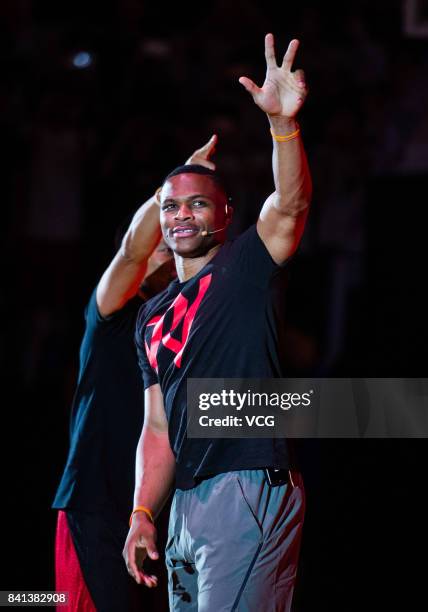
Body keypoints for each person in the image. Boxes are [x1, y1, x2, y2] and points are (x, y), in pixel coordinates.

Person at [123, 33, 312, 611]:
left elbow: (292, 204)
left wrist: (283, 126)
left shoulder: (243, 267)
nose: (182, 215)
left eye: (198, 203)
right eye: (171, 206)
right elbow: (158, 429)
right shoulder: (149, 318)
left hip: (245, 484)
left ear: (225, 214)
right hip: (185, 501)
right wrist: (141, 514)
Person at [52, 136, 218, 612]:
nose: (169, 253)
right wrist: (177, 189)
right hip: (95, 503)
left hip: (160, 509)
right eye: (161, 246)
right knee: (58, 600)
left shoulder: (187, 326)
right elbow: (130, 251)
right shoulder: (111, 316)